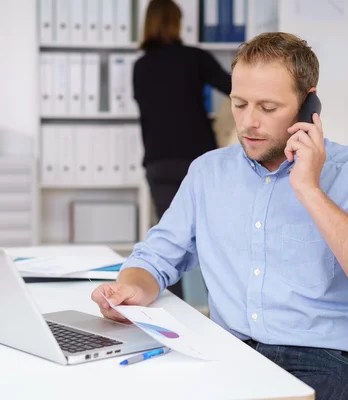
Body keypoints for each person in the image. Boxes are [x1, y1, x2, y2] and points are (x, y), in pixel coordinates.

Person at [93, 32, 348, 400]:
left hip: (324, 364)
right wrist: (132, 289)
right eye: (239, 104)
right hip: (227, 353)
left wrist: (310, 191)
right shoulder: (208, 173)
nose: (249, 122)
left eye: (268, 108)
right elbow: (155, 258)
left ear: (308, 104)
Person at [132, 0, 232, 300]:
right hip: (198, 159)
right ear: (177, 23)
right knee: (213, 240)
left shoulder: (141, 66)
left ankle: (177, 314)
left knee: (167, 246)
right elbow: (237, 88)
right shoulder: (195, 58)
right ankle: (224, 312)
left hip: (159, 161)